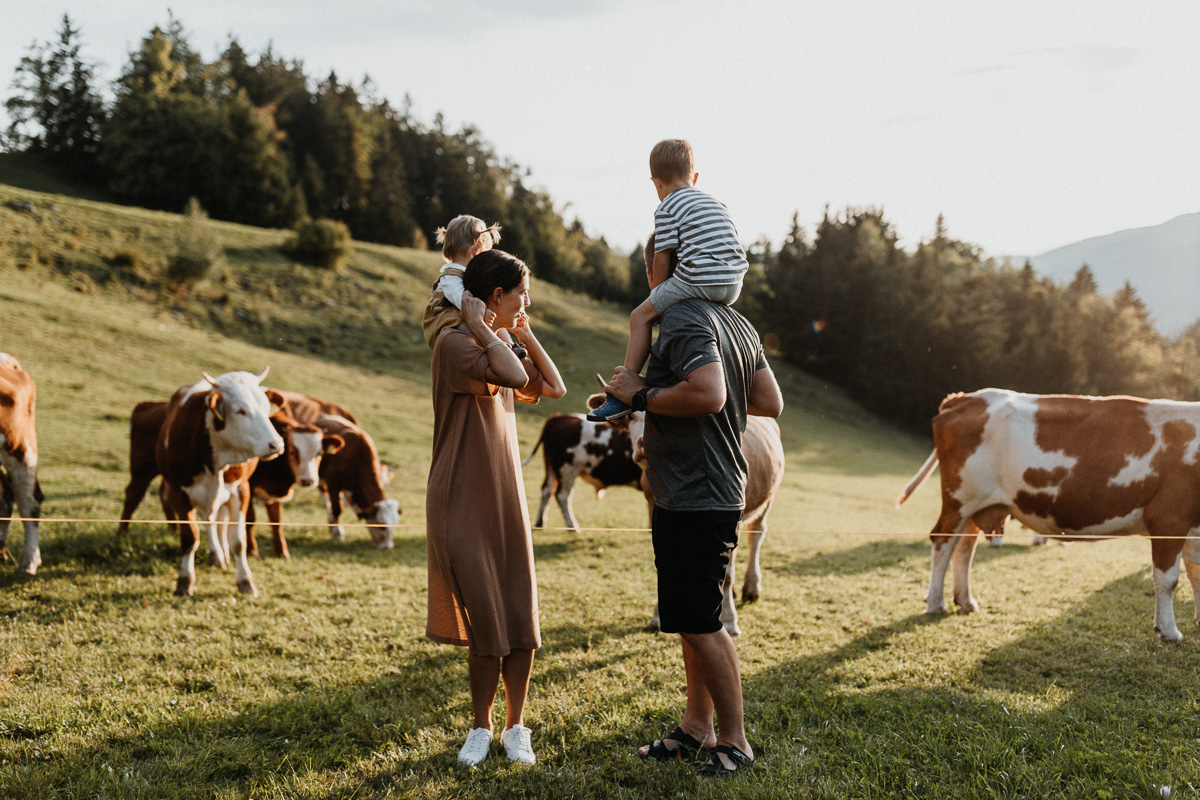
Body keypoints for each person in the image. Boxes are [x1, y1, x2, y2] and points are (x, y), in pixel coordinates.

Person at [603, 239, 783, 777]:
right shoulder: (737, 322)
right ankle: (696, 725)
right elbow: (770, 402)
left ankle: (734, 741)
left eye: (650, 264)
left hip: (695, 491)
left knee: (703, 622)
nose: (646, 274)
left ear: (667, 267)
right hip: (711, 486)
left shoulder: (680, 320)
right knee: (688, 616)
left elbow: (708, 394)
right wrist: (676, 396)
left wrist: (642, 395)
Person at [425, 249, 567, 767]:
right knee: (487, 617)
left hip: (505, 495)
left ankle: (515, 727)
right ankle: (481, 727)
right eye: (520, 294)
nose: (526, 302)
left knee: (518, 614)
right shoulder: (454, 344)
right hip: (461, 496)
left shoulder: (498, 340)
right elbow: (508, 372)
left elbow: (553, 387)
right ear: (496, 297)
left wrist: (524, 334)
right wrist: (483, 327)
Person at [589, 138, 749, 422]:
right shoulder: (718, 203)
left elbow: (662, 257)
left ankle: (620, 395)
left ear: (656, 182)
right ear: (694, 177)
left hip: (698, 278)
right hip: (734, 283)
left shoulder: (667, 206)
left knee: (640, 317)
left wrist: (657, 296)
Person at [422, 215, 503, 349]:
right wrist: (483, 312)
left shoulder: (469, 275)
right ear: (476, 253)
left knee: (498, 326)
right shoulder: (451, 276)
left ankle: (507, 347)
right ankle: (496, 348)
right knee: (472, 329)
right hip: (446, 325)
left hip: (464, 320)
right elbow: (463, 301)